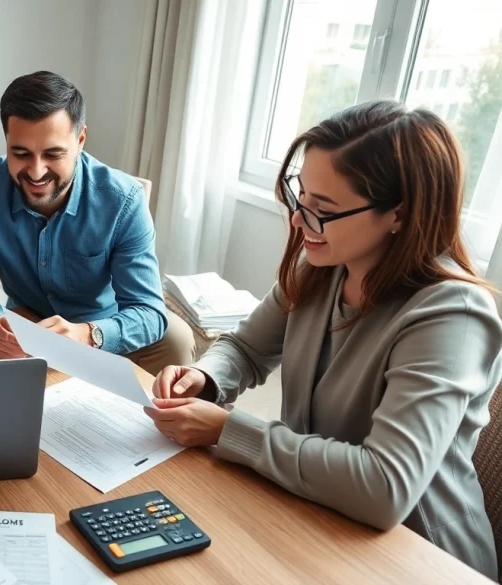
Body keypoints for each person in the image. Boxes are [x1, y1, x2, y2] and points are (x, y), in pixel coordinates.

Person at [146, 101, 500, 579]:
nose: (298, 222)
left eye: (323, 210)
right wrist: (204, 377)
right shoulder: (323, 265)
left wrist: (226, 429)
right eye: (301, 199)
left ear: (399, 213)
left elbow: (385, 486)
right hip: (315, 514)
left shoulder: (451, 316)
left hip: (416, 557)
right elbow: (247, 348)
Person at [0, 71, 194, 374]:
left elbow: (149, 312)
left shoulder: (125, 201)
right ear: (7, 142)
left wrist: (90, 334)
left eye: (53, 154)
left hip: (99, 326)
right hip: (25, 324)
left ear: (80, 140)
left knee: (177, 340)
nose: (36, 172)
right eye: (21, 153)